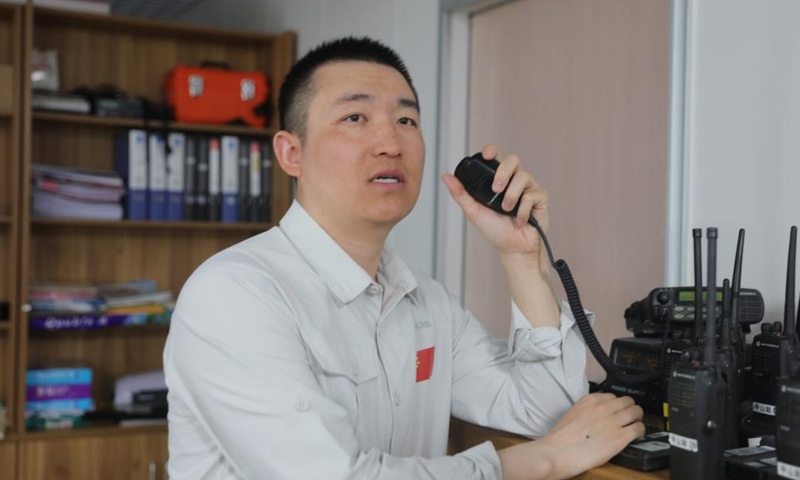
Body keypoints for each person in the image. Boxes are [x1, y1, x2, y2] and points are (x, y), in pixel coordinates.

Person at [163, 36, 644, 480]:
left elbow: (546, 412)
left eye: (406, 120)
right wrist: (543, 459)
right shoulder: (234, 294)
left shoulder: (427, 303)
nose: (391, 142)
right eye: (355, 118)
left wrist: (521, 258)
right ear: (292, 154)